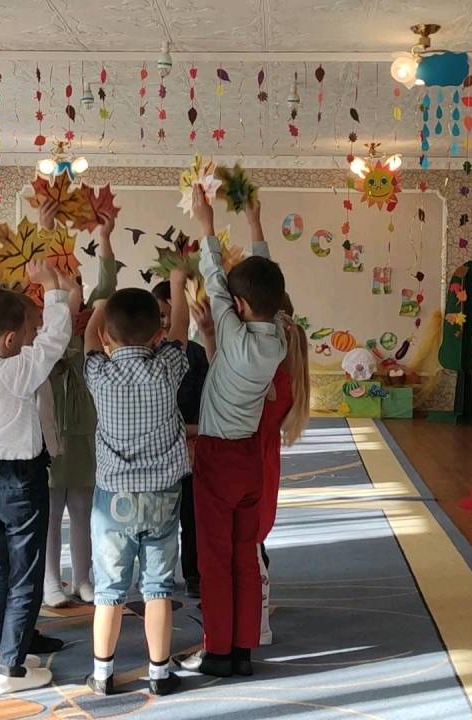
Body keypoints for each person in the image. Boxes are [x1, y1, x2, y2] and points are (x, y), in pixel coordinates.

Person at [180, 189, 288, 678]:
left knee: (214, 560)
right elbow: (262, 285)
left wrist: (206, 224)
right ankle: (242, 650)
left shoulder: (233, 332)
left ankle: (218, 651)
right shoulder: (278, 336)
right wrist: (254, 224)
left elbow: (214, 279)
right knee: (244, 556)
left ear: (239, 306)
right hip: (249, 461)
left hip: (217, 460)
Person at [0, 260, 74, 695]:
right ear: (10, 340)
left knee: (1, 566)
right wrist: (54, 290)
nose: (29, 341)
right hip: (21, 482)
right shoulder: (14, 373)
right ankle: (11, 669)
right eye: (24, 335)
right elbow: (54, 340)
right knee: (26, 575)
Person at [82, 270, 193, 697]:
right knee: (158, 587)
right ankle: (159, 674)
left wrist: (100, 306)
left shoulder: (99, 374)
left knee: (109, 590)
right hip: (162, 496)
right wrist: (177, 286)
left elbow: (89, 341)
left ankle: (102, 673)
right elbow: (181, 327)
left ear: (107, 336)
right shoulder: (168, 368)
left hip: (112, 501)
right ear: (157, 334)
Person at [42, 207, 119, 608]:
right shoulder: (42, 330)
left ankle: (83, 578)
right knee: (51, 507)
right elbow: (39, 269)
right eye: (61, 282)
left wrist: (104, 236)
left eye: (74, 280)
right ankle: (50, 581)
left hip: (86, 426)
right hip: (51, 428)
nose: (70, 286)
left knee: (84, 506)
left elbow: (107, 283)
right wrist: (45, 229)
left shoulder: (90, 320)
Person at [254, 292, 310, 645]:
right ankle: (257, 622)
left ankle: (257, 625)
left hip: (253, 469)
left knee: (250, 554)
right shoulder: (287, 380)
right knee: (255, 549)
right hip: (265, 467)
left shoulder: (271, 381)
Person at [152, 279, 211, 599]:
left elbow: (206, 400)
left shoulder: (198, 355)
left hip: (190, 449)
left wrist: (192, 430)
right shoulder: (147, 357)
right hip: (158, 452)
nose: (165, 322)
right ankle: (157, 575)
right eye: (160, 315)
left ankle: (194, 573)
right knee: (158, 518)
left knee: (192, 514)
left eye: (171, 314)